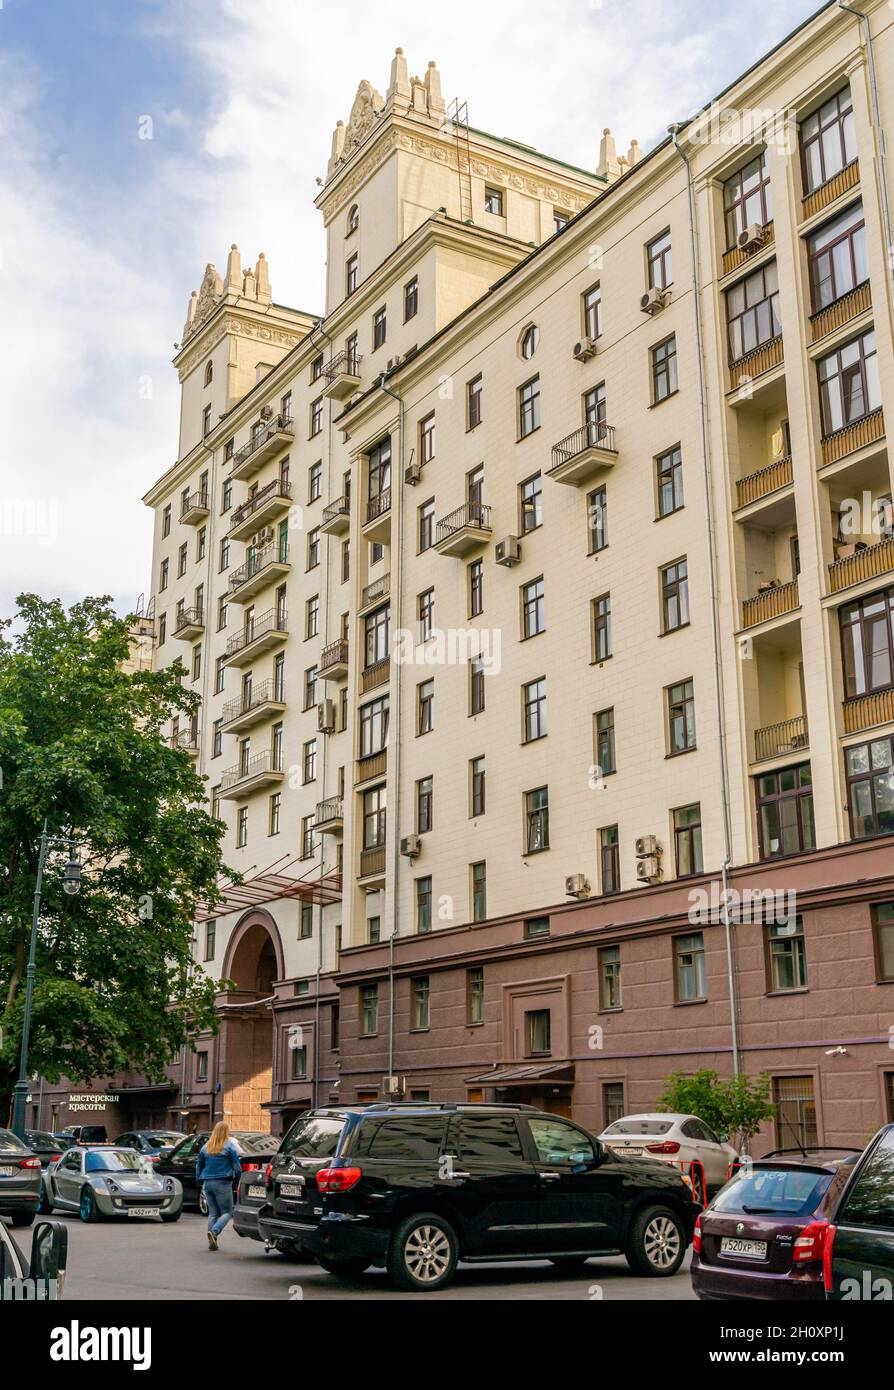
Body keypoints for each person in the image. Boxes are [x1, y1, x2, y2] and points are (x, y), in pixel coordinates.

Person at [196, 1121, 242, 1250]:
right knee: (227, 1212)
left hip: (207, 1183)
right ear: (226, 1132)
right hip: (222, 1182)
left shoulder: (205, 1147)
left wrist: (199, 1180)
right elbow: (237, 1167)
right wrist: (238, 1181)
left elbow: (198, 1165)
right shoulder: (229, 1147)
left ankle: (212, 1241)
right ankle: (215, 1232)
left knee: (213, 1213)